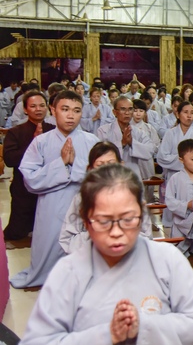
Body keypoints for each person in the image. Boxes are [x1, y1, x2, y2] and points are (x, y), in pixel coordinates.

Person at [21, 164, 193, 344]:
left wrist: (144, 325)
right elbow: (38, 341)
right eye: (104, 221)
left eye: (128, 219)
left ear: (142, 213)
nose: (116, 232)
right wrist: (107, 334)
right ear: (86, 220)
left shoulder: (167, 259)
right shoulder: (68, 271)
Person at [12, 91, 99, 289]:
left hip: (82, 202)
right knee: (49, 245)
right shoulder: (41, 142)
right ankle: (47, 277)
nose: (71, 115)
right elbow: (30, 178)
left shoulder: (92, 141)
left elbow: (101, 174)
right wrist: (61, 164)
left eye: (76, 111)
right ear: (53, 110)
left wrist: (73, 165)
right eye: (65, 109)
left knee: (82, 246)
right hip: (51, 203)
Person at [59, 141, 152, 254]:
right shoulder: (81, 199)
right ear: (90, 169)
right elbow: (67, 240)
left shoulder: (133, 197)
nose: (106, 171)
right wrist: (97, 234)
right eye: (100, 166)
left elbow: (146, 237)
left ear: (121, 166)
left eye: (111, 164)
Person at [2, 90, 55, 241]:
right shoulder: (15, 132)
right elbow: (10, 160)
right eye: (33, 106)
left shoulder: (54, 130)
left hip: (49, 185)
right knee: (17, 233)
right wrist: (34, 143)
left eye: (42, 105)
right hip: (23, 187)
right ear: (25, 109)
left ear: (47, 108)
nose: (38, 109)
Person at [166, 139, 193, 257]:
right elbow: (169, 200)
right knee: (178, 253)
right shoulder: (175, 178)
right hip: (181, 222)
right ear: (181, 159)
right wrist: (186, 205)